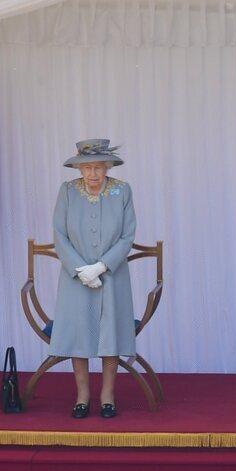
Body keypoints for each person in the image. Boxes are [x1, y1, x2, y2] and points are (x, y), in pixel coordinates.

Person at [50, 139, 136, 419]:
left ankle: (108, 395)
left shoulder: (122, 191)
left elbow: (127, 236)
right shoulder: (67, 192)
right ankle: (83, 395)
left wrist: (101, 266)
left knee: (111, 332)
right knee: (79, 333)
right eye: (86, 168)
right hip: (75, 279)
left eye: (98, 167)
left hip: (112, 277)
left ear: (108, 167)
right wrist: (80, 270)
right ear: (79, 169)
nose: (92, 174)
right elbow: (59, 235)